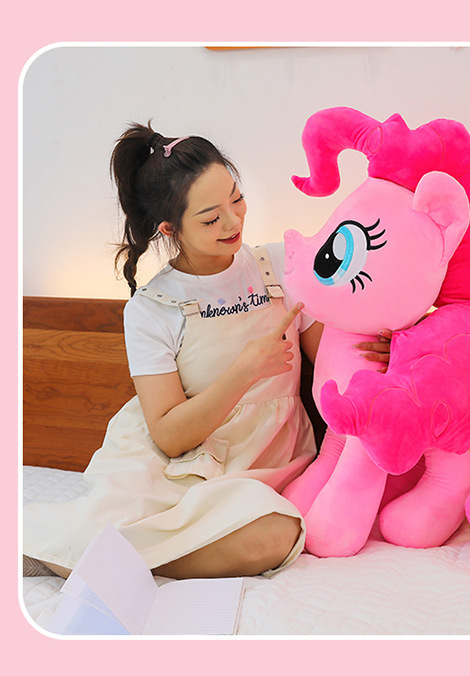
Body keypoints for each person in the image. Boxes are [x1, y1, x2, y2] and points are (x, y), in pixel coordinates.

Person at [23, 123, 390, 580]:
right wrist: (245, 371)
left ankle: (83, 558)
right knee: (118, 514)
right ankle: (81, 552)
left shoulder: (280, 266)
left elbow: (332, 364)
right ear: (170, 228)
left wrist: (377, 352)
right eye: (211, 218)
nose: (233, 222)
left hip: (263, 461)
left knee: (275, 536)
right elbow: (169, 436)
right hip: (172, 460)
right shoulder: (152, 309)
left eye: (237, 199)